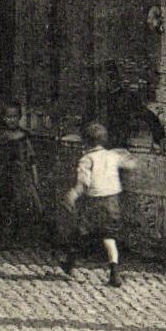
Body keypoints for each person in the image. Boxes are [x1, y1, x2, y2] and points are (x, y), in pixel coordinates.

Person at [62, 121, 134, 288]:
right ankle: (114, 271)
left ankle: (70, 263)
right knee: (109, 237)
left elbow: (83, 183)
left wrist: (72, 195)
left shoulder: (87, 159)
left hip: (94, 202)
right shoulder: (113, 156)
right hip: (112, 201)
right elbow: (130, 164)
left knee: (80, 233)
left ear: (85, 142)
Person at [0, 104, 44, 243]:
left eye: (14, 117)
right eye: (8, 117)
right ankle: (4, 238)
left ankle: (21, 238)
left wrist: (35, 177)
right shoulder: (0, 136)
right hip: (3, 175)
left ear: (19, 117)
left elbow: (31, 159)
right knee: (5, 206)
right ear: (3, 118)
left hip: (21, 176)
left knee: (22, 205)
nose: (11, 120)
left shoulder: (24, 137)